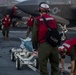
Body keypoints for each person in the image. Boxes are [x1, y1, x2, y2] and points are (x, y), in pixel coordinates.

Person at [32, 2, 59, 75]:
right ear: (48, 10)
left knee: (43, 68)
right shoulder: (53, 19)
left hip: (44, 45)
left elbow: (34, 34)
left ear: (39, 10)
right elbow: (57, 31)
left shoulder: (37, 20)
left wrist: (35, 47)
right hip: (54, 45)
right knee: (55, 67)